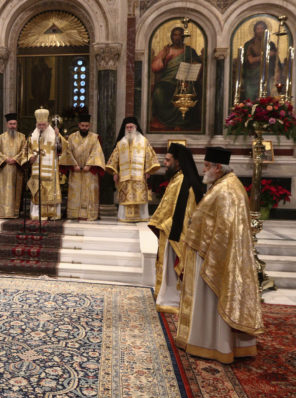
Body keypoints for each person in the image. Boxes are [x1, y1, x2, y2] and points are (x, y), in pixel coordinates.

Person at [175, 147, 264, 363]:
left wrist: (210, 252)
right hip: (210, 251)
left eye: (207, 166)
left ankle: (212, 343)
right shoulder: (226, 184)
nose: (203, 170)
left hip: (214, 255)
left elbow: (224, 231)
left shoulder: (226, 190)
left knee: (211, 301)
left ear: (218, 168)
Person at [148, 143, 203, 313]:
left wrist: (167, 226)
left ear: (178, 162)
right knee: (166, 268)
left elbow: (188, 211)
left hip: (176, 232)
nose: (164, 163)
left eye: (167, 160)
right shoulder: (177, 179)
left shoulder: (184, 181)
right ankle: (166, 296)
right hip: (169, 230)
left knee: (172, 268)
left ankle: (173, 300)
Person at [106, 116, 160, 222]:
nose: (129, 129)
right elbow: (114, 158)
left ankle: (141, 217)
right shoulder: (121, 143)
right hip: (124, 176)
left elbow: (149, 156)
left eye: (131, 127)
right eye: (127, 127)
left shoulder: (143, 141)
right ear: (125, 128)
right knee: (125, 196)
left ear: (136, 127)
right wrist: (115, 172)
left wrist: (148, 170)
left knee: (139, 196)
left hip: (140, 176)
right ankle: (124, 217)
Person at [151, 27, 201, 129]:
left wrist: (191, 70)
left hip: (185, 80)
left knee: (189, 91)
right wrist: (163, 57)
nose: (177, 37)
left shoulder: (190, 51)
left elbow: (198, 65)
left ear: (183, 37)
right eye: (175, 35)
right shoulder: (166, 50)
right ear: (171, 37)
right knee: (158, 91)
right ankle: (164, 121)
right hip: (167, 81)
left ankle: (181, 122)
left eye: (179, 35)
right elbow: (155, 68)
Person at [59, 114, 105, 220]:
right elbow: (67, 152)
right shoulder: (71, 137)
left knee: (89, 193)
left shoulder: (94, 138)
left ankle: (90, 214)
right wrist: (73, 165)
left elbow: (96, 152)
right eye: (83, 126)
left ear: (89, 126)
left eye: (86, 126)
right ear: (79, 125)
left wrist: (89, 165)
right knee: (75, 192)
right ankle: (74, 214)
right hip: (75, 171)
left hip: (89, 172)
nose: (84, 128)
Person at [27, 107, 66, 220]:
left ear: (48, 124)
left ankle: (51, 214)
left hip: (50, 171)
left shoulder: (54, 135)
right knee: (37, 192)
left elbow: (63, 149)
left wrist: (58, 137)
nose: (41, 127)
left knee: (50, 191)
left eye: (43, 125)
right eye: (39, 125)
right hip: (37, 170)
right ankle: (37, 214)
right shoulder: (32, 136)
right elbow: (27, 150)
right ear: (36, 124)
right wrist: (30, 157)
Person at [0, 112, 27, 218]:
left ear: (17, 125)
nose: (12, 126)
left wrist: (16, 159)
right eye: (11, 124)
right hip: (4, 169)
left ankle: (14, 212)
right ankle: (4, 213)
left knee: (16, 191)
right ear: (7, 124)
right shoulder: (0, 138)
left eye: (14, 124)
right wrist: (5, 159)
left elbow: (25, 150)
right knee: (4, 191)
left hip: (16, 168)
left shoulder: (22, 137)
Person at [243, 20, 278, 101]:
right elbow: (250, 60)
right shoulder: (249, 44)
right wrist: (265, 56)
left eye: (262, 28)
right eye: (258, 29)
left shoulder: (271, 44)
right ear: (255, 30)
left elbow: (276, 62)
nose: (260, 31)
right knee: (250, 98)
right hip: (252, 77)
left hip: (267, 76)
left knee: (267, 98)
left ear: (266, 30)